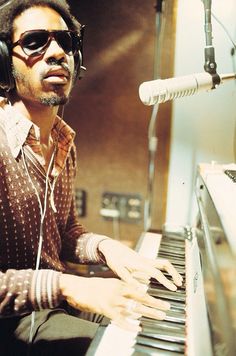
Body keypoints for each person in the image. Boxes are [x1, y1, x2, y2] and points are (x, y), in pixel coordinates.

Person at [0, 0, 183, 355]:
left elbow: (64, 234)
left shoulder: (63, 141)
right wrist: (68, 287)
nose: (56, 53)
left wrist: (107, 248)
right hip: (12, 323)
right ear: (4, 61)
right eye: (35, 41)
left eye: (66, 42)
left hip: (55, 305)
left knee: (157, 317)